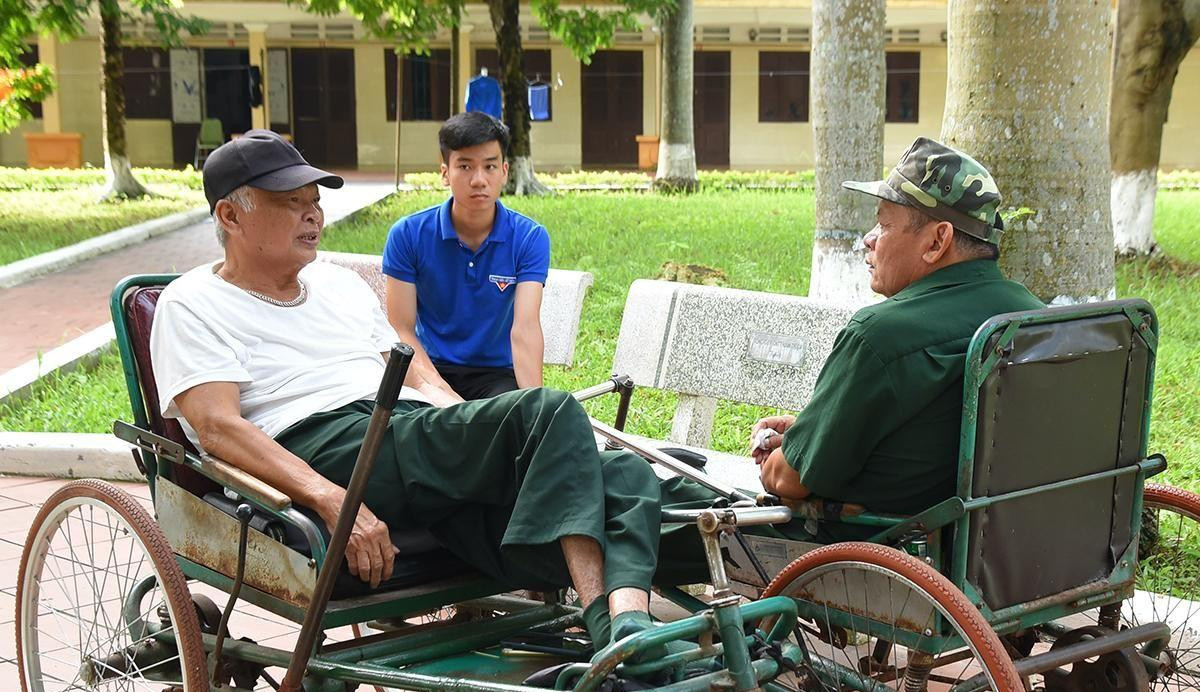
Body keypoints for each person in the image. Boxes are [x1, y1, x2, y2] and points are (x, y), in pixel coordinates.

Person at [148, 129, 660, 657]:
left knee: (624, 473)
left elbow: (416, 374)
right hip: (320, 442)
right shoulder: (192, 302)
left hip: (400, 428)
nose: (313, 215)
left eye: (315, 202)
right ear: (230, 216)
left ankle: (628, 626)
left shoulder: (339, 284)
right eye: (291, 203)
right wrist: (331, 498)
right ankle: (603, 629)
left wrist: (480, 427)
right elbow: (218, 428)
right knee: (548, 409)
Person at [655, 138, 1045, 569]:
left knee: (630, 494)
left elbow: (787, 479)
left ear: (937, 241)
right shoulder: (1038, 319)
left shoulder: (881, 335)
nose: (868, 240)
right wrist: (811, 434)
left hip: (856, 553)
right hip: (1000, 556)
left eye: (883, 225)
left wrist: (776, 459)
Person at [382, 112, 549, 404]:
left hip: (497, 376)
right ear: (445, 172)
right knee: (410, 422)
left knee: (509, 419)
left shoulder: (529, 237)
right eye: (465, 166)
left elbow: (525, 329)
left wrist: (535, 407)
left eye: (490, 166)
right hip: (430, 369)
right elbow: (402, 329)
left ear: (504, 171)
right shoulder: (408, 235)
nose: (479, 180)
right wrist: (443, 392)